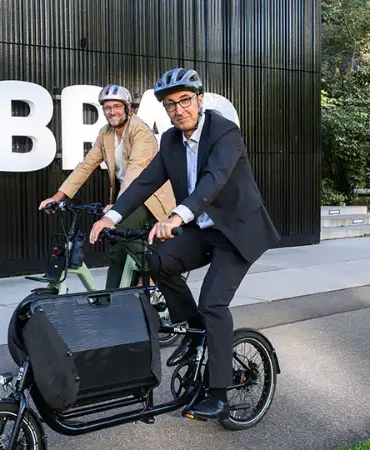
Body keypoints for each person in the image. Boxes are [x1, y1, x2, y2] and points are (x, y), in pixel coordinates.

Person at [89, 68, 281, 419]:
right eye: (170, 105)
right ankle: (194, 333)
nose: (178, 110)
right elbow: (145, 182)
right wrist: (111, 217)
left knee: (213, 303)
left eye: (185, 101)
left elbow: (214, 181)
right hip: (203, 228)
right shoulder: (171, 142)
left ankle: (220, 393)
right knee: (156, 261)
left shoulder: (225, 132)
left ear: (200, 100)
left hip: (237, 231)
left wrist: (176, 217)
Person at [39, 84, 176, 289]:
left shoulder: (141, 131)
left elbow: (135, 171)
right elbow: (86, 166)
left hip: (149, 198)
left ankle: (160, 270)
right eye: (107, 107)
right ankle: (110, 299)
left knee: (119, 227)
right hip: (127, 197)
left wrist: (117, 208)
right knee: (116, 247)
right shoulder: (106, 134)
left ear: (127, 107)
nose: (112, 111)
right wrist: (58, 197)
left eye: (117, 106)